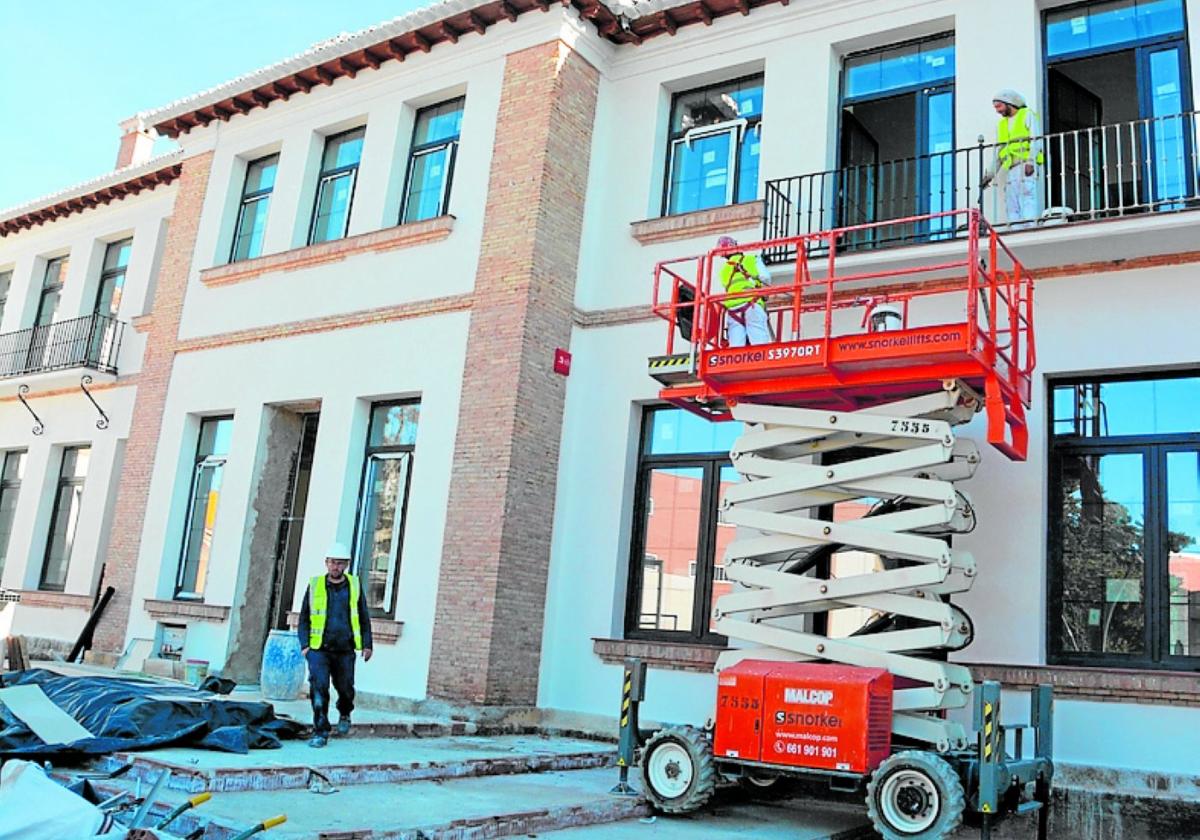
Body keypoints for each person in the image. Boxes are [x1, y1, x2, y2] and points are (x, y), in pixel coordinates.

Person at [297, 544, 373, 748]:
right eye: (332, 562)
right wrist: (305, 645)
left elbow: (364, 617)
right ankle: (320, 731)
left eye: (339, 563)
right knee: (319, 690)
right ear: (326, 563)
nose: (335, 567)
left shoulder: (354, 586)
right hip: (319, 650)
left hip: (345, 650)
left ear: (346, 565)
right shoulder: (315, 586)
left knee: (346, 688)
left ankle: (345, 711)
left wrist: (367, 644)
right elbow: (304, 618)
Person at [981, 90, 1044, 229]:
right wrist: (990, 175)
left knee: (1027, 196)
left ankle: (1030, 226)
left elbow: (1036, 139)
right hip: (1011, 167)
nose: (998, 111)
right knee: (1011, 201)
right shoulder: (1002, 124)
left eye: (999, 106)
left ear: (1010, 103)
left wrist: (1031, 161)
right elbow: (999, 152)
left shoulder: (1027, 115)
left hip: (1025, 164)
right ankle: (1016, 228)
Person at [715, 235, 773, 347]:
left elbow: (727, 286)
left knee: (736, 349)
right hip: (752, 304)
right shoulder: (752, 259)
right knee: (759, 345)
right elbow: (766, 278)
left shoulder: (724, 270)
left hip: (733, 309)